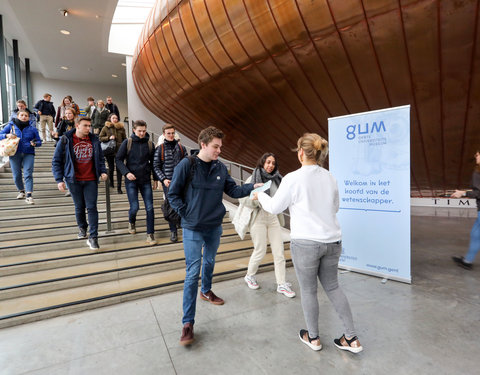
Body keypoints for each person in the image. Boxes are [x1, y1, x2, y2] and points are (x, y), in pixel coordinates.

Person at [253, 133, 363, 354]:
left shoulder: (293, 178)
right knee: (333, 287)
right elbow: (336, 207)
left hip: (305, 244)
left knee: (309, 290)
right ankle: (351, 338)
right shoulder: (330, 177)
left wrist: (259, 194)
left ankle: (313, 338)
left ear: (301, 152)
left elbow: (274, 207)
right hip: (332, 241)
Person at [168, 126, 261, 346]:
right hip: (192, 227)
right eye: (215, 146)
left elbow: (234, 192)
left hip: (214, 226)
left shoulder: (221, 167)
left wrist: (252, 188)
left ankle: (206, 290)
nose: (219, 150)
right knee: (192, 272)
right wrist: (187, 214)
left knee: (209, 261)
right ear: (203, 144)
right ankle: (188, 323)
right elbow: (172, 194)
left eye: (220, 146)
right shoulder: (187, 165)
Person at [233, 153, 295, 297]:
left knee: (279, 251)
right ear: (262, 163)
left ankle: (281, 283)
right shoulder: (252, 178)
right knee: (260, 249)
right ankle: (249, 275)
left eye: (273, 163)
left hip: (273, 218)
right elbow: (243, 199)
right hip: (258, 217)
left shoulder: (278, 180)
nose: (270, 165)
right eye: (268, 162)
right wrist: (257, 200)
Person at [52, 117, 108, 250]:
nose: (89, 128)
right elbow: (56, 161)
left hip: (91, 180)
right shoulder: (66, 140)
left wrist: (103, 171)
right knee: (79, 206)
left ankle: (93, 237)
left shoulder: (94, 140)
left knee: (92, 207)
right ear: (77, 126)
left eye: (90, 126)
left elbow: (100, 158)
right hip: (73, 180)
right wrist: (59, 180)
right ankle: (82, 227)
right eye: (85, 126)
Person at [116, 120, 158, 245]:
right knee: (135, 207)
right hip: (131, 180)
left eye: (144, 131)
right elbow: (118, 159)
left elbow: (154, 163)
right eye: (139, 131)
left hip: (145, 180)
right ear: (134, 130)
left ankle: (150, 234)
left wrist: (155, 179)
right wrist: (126, 173)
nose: (142, 133)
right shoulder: (127, 142)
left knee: (150, 207)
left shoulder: (150, 144)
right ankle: (131, 222)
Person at [153, 124, 187, 242]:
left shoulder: (182, 148)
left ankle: (183, 227)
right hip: (168, 183)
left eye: (173, 133)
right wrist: (163, 179)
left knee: (183, 204)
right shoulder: (160, 149)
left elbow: (187, 165)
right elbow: (156, 166)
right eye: (168, 133)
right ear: (164, 134)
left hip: (181, 182)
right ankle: (173, 231)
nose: (171, 135)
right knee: (171, 206)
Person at [0, 110, 42, 204]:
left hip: (29, 153)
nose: (24, 117)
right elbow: (0, 135)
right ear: (18, 116)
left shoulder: (33, 129)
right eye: (22, 115)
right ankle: (21, 191)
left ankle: (29, 195)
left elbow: (39, 142)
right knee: (16, 175)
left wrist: (35, 143)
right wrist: (7, 135)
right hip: (14, 153)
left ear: (28, 117)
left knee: (28, 173)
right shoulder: (10, 126)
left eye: (26, 115)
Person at [451, 149, 480, 270]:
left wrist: (462, 193)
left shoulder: (477, 173)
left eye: (478, 154)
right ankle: (467, 260)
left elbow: (478, 192)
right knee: (475, 234)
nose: (476, 155)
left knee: (476, 234)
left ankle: (468, 261)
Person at [99, 113, 127, 194]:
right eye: (113, 118)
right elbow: (100, 138)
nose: (115, 119)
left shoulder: (121, 128)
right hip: (109, 151)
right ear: (110, 119)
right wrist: (108, 138)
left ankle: (119, 187)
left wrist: (124, 147)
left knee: (119, 169)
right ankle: (111, 183)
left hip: (119, 151)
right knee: (111, 168)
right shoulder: (106, 128)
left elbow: (125, 139)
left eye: (116, 118)